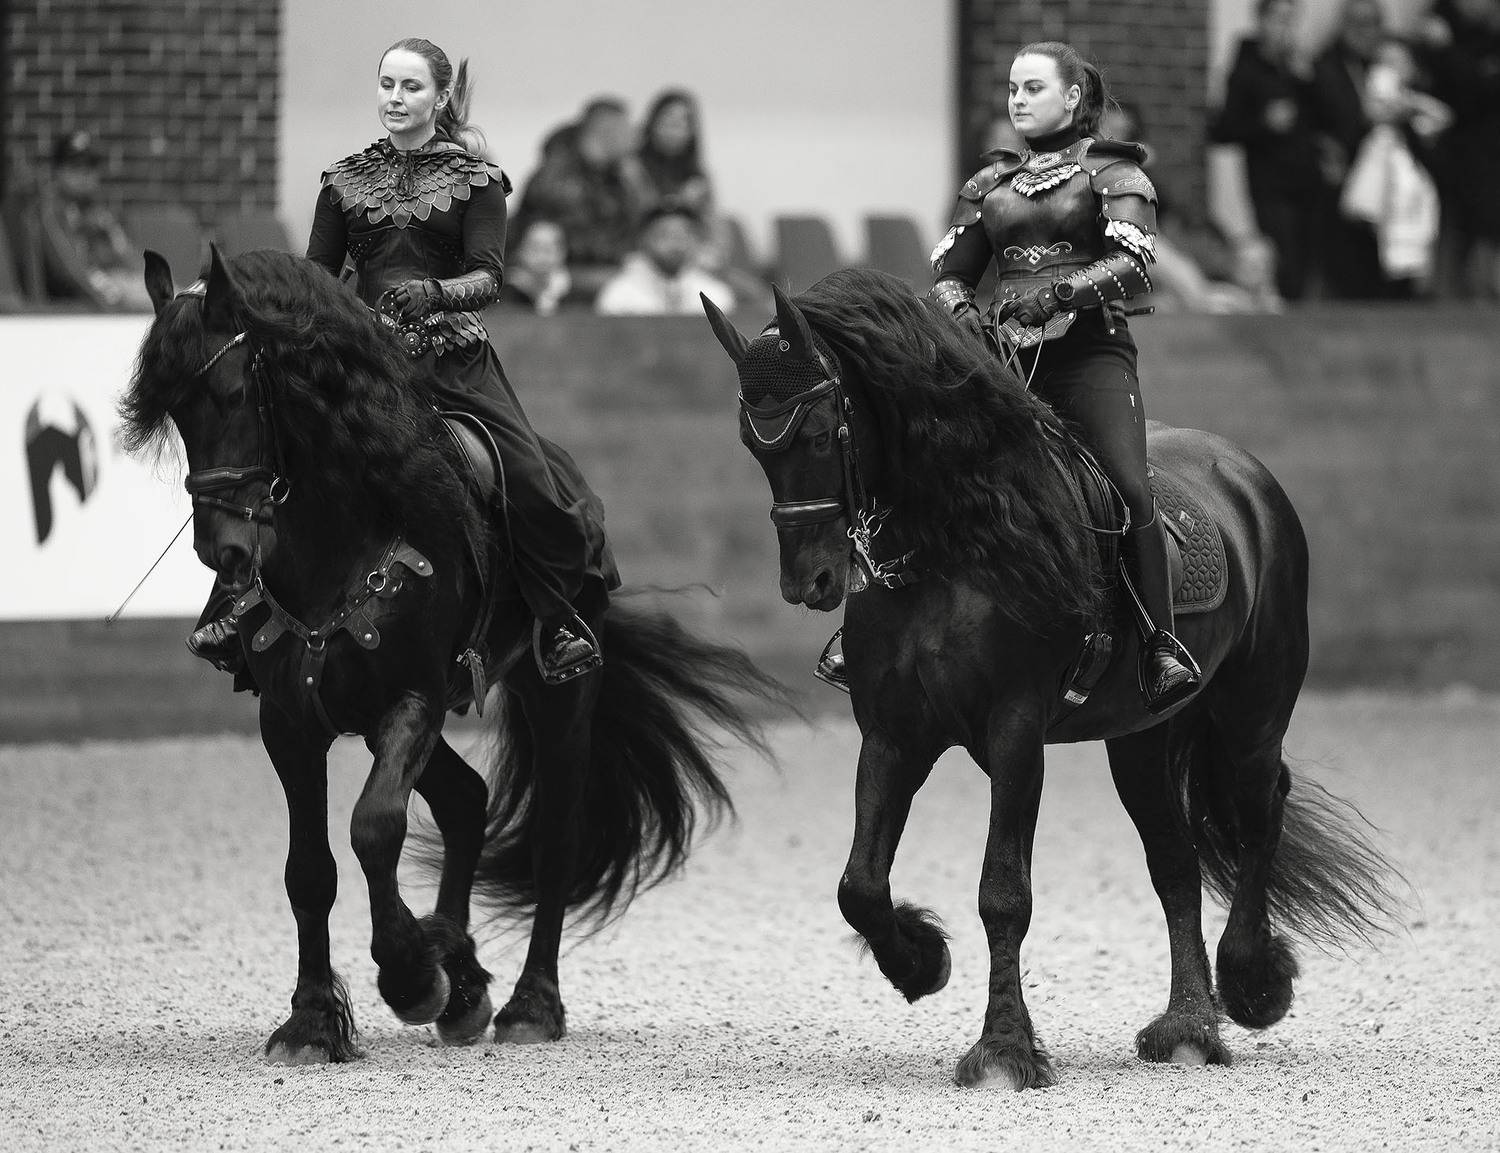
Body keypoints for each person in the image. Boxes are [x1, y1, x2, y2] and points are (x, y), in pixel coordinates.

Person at [188, 37, 606, 686]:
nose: (395, 98)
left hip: (452, 362)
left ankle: (554, 621)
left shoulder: (478, 181)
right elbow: (315, 277)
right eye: (387, 85)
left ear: (440, 98)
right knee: (269, 457)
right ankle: (230, 605)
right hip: (361, 364)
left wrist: (435, 293)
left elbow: (490, 277)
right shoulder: (343, 181)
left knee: (526, 477)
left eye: (411, 87)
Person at [925, 40, 1200, 714]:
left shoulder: (1114, 173)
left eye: (1034, 88)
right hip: (1002, 362)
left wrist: (1057, 295)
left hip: (1091, 357)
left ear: (1074, 98)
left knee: (1129, 486)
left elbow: (1134, 262)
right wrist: (963, 312)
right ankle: (874, 626)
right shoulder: (989, 184)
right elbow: (949, 272)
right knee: (924, 467)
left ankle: (1158, 640)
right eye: (1013, 89)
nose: (1017, 99)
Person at [1208, 0, 1325, 300]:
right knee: (1283, 259)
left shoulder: (1299, 67)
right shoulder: (1247, 66)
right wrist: (1264, 122)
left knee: (1307, 260)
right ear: (1261, 21)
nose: (1284, 29)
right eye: (1278, 20)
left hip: (1308, 180)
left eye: (1290, 21)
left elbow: (1324, 118)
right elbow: (1223, 130)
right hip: (1270, 183)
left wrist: (1310, 82)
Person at [513, 97, 638, 302]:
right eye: (626, 130)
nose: (634, 138)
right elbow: (574, 244)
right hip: (561, 275)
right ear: (606, 131)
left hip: (603, 272)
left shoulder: (616, 176)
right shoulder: (558, 177)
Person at [36, 130, 153, 310]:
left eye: (90, 166)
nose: (84, 174)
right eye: (75, 166)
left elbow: (129, 257)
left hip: (115, 289)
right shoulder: (51, 211)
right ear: (57, 170)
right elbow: (73, 273)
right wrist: (114, 301)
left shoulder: (100, 211)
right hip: (77, 306)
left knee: (173, 296)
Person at [595, 202, 736, 316]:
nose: (675, 244)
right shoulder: (619, 295)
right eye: (664, 234)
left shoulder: (716, 294)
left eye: (683, 235)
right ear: (643, 240)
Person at [500, 217, 588, 314]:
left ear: (563, 252)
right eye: (535, 249)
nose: (541, 257)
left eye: (548, 250)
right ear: (521, 251)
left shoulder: (573, 290)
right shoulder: (506, 290)